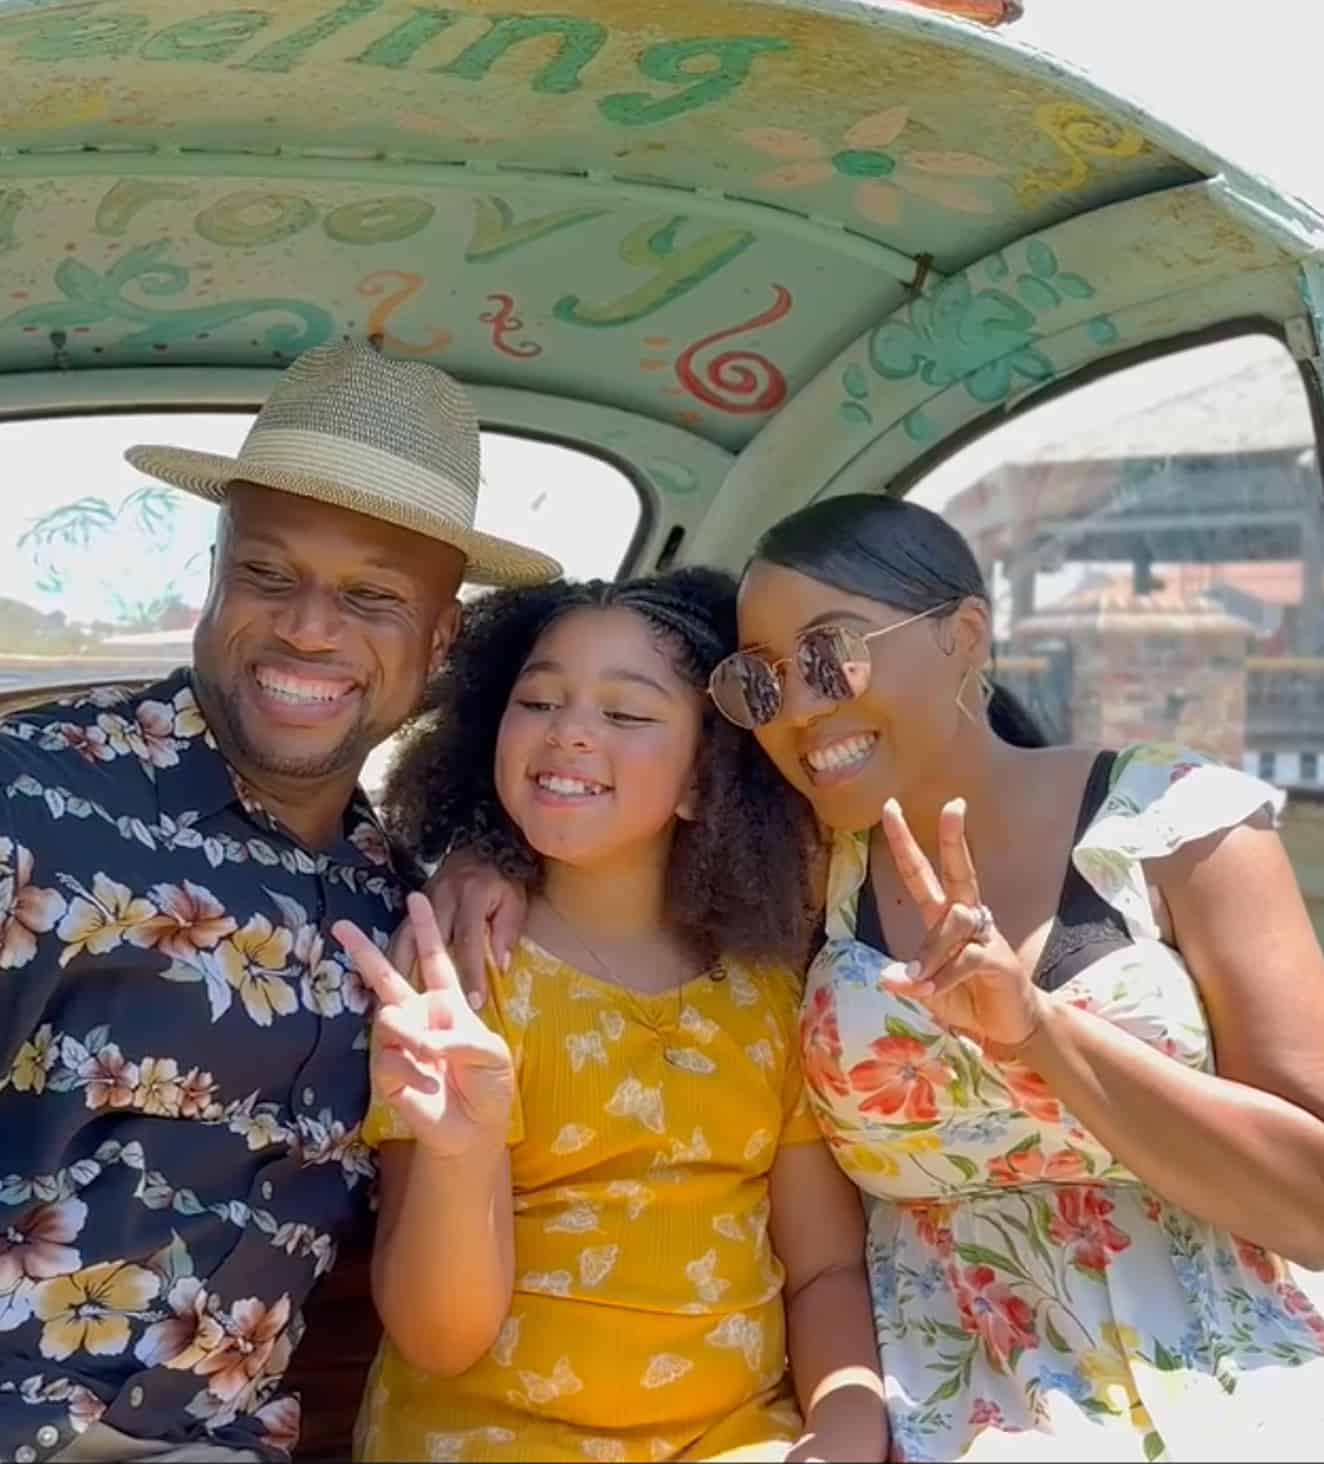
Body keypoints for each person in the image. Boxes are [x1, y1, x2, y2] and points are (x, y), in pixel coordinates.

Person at [428, 495, 1324, 1462]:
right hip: (934, 1405)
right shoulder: (799, 865)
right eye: (763, 681)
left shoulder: (1179, 825)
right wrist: (481, 857)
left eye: (831, 655)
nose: (802, 709)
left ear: (964, 635)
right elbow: (601, 817)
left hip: (1233, 1371)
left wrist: (1042, 1033)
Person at [0, 339, 560, 1464]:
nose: (308, 628)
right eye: (267, 574)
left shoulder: (404, 904)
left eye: (371, 597)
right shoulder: (31, 800)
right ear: (213, 578)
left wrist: (492, 851)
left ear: (439, 642)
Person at [333, 570, 889, 1463]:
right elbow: (439, 1340)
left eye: (626, 713)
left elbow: (824, 1267)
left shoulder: (768, 991)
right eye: (538, 700)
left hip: (740, 1438)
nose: (571, 730)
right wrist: (459, 1154)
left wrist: (845, 1429)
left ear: (705, 779)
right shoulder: (457, 976)